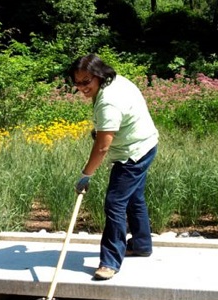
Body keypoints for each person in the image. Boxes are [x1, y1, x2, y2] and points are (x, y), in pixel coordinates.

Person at [68, 53, 159, 280]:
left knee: (115, 203)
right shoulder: (115, 80)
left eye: (86, 81)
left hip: (133, 154)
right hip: (146, 143)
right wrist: (101, 129)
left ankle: (109, 262)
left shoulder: (108, 101)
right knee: (134, 197)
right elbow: (114, 123)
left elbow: (102, 147)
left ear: (98, 75)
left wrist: (85, 175)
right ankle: (141, 245)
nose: (81, 87)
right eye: (77, 82)